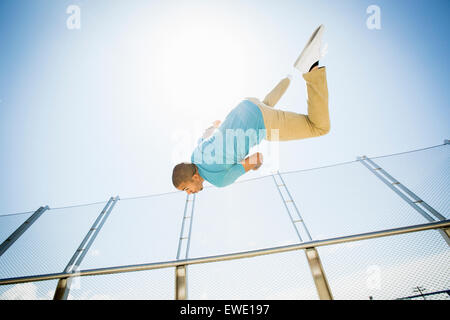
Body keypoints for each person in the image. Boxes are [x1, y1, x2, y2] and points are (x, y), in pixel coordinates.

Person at [172, 24, 330, 194]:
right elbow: (207, 132)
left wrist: (256, 164)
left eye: (186, 188)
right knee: (264, 105)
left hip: (260, 122)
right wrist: (216, 125)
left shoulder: (219, 180)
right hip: (246, 106)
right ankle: (288, 78)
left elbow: (256, 158)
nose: (189, 193)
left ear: (195, 177)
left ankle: (311, 68)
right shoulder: (196, 154)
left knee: (319, 127)